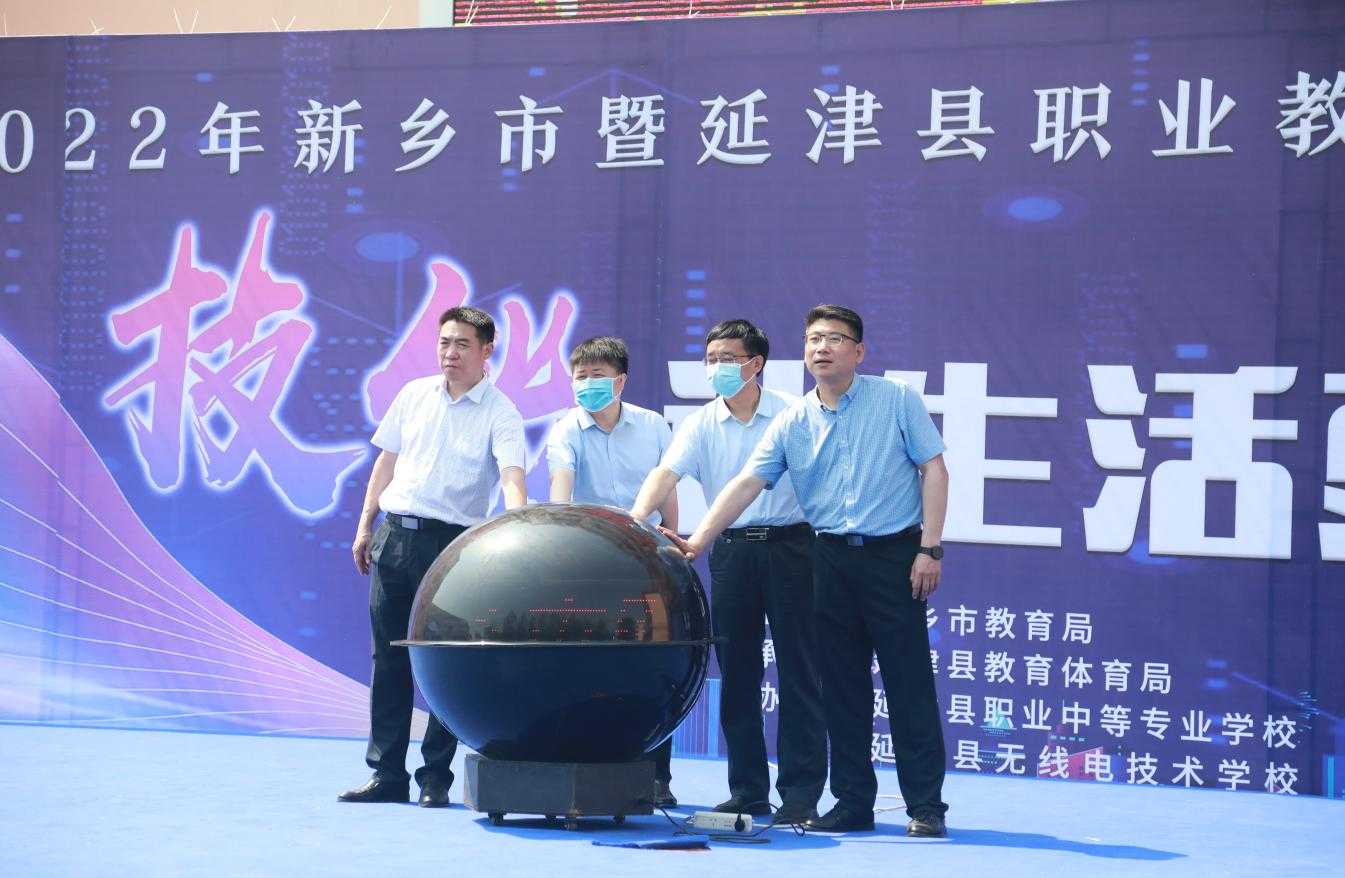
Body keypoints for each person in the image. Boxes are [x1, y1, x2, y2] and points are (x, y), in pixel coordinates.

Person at [661, 304, 951, 837]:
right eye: (814, 339)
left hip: (894, 556)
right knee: (840, 686)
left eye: (834, 339)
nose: (821, 348)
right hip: (828, 560)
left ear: (859, 351)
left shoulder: (895, 400)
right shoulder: (794, 420)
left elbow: (933, 468)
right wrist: (700, 539)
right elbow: (747, 483)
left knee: (907, 683)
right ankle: (853, 802)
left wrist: (929, 548)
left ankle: (926, 806)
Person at [630, 319, 826, 826]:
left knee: (800, 671)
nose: (717, 367)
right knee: (737, 674)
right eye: (711, 359)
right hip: (732, 552)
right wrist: (636, 519)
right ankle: (748, 792)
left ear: (756, 364)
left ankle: (800, 795)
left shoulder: (793, 413)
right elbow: (665, 474)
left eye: (728, 359)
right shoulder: (700, 423)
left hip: (793, 548)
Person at [341, 306, 528, 807]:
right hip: (394, 536)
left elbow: (512, 475)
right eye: (445, 342)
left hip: (453, 551)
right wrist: (365, 524)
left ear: (487, 351)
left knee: (446, 664)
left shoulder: (501, 412)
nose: (451, 353)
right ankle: (386, 774)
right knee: (389, 660)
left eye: (463, 344)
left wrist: (519, 523)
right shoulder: (413, 394)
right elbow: (386, 462)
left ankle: (435, 778)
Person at [546, 335, 680, 808]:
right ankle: (583, 767)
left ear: (620, 381)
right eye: (580, 377)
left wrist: (672, 539)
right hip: (590, 561)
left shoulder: (652, 426)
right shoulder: (565, 430)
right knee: (589, 663)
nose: (587, 384)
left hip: (647, 556)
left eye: (597, 376)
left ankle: (657, 777)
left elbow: (668, 486)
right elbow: (561, 489)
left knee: (653, 665)